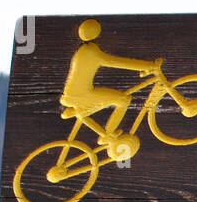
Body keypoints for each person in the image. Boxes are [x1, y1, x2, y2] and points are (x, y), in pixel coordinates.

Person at [59, 19, 171, 159]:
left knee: (111, 99)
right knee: (123, 100)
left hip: (75, 93)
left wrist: (147, 66)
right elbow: (116, 62)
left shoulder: (84, 50)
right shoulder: (91, 51)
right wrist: (149, 65)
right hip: (81, 94)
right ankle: (108, 135)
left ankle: (79, 111)